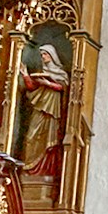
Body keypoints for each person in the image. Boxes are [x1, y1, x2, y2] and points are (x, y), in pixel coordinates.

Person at [19, 44, 69, 176]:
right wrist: (25, 75)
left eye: (45, 54)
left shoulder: (60, 73)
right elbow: (31, 88)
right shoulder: (40, 72)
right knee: (31, 136)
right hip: (40, 107)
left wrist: (48, 84)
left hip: (52, 110)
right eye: (41, 55)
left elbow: (64, 87)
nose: (43, 57)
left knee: (49, 139)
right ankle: (30, 168)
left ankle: (46, 173)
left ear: (52, 55)